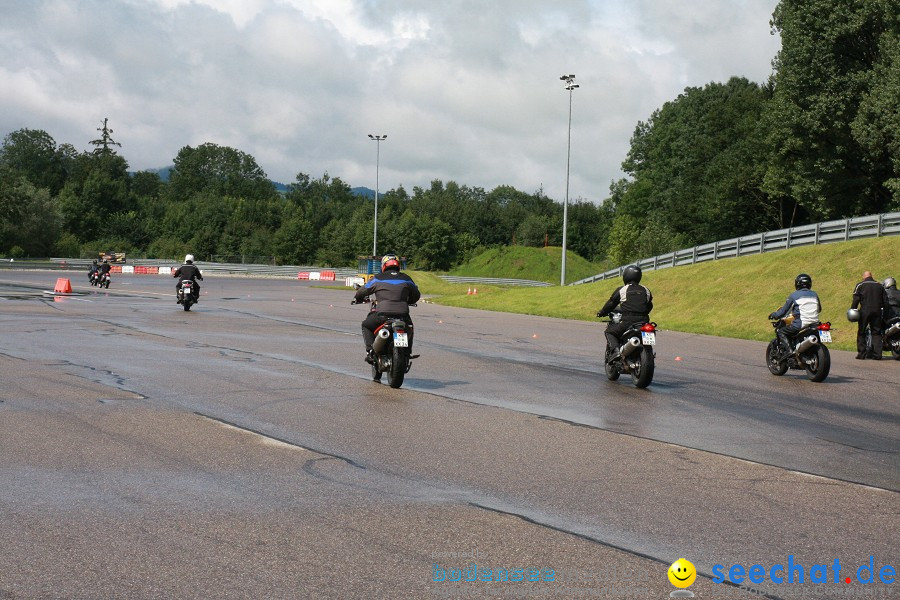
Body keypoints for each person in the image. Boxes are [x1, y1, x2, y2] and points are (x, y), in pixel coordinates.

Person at [354, 254, 420, 364]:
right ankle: (407, 352)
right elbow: (416, 295)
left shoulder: (378, 278)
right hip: (403, 315)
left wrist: (358, 298)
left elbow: (362, 291)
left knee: (366, 325)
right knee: (410, 327)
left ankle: (370, 351)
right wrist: (410, 301)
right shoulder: (406, 278)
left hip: (383, 315)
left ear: (384, 265)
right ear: (398, 265)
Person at [597, 265, 653, 361]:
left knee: (609, 331)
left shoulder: (623, 289)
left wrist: (602, 312)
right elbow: (649, 305)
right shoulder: (646, 290)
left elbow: (611, 303)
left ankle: (615, 351)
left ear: (626, 276)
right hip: (644, 323)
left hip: (628, 322)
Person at [768, 273, 821, 357]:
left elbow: (783, 311)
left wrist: (774, 315)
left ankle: (789, 352)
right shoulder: (814, 294)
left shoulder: (793, 296)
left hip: (801, 324)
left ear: (797, 284)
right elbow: (819, 309)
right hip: (815, 324)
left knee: (781, 332)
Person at [851, 271, 885, 360]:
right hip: (877, 311)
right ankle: (877, 355)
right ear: (871, 276)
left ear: (864, 276)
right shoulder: (879, 285)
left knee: (861, 331)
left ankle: (861, 354)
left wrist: (853, 309)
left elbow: (856, 299)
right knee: (876, 332)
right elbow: (885, 300)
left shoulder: (860, 285)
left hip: (865, 311)